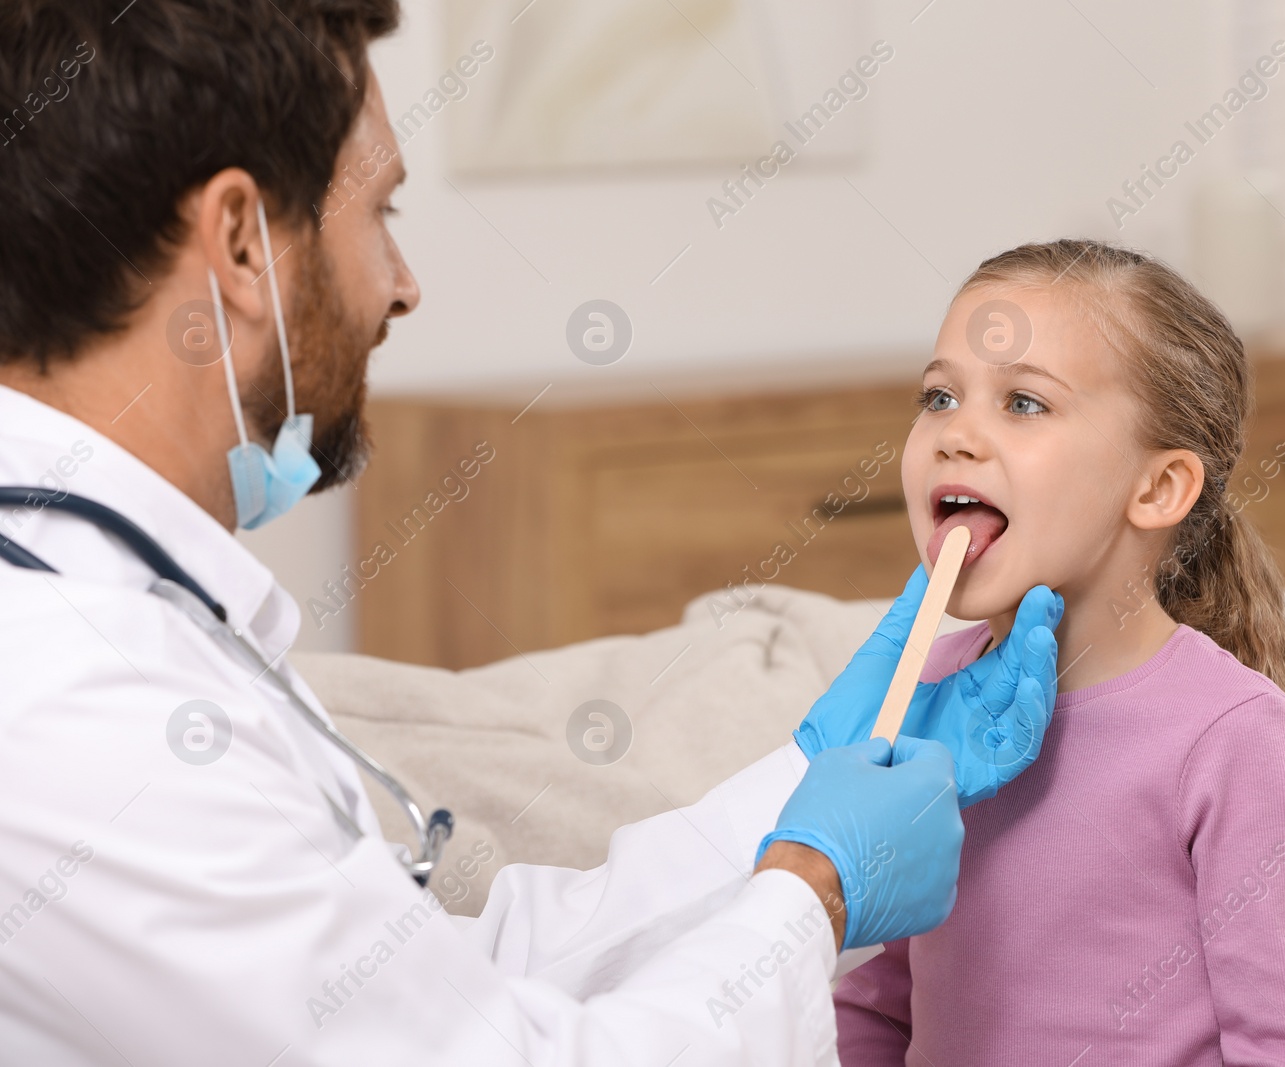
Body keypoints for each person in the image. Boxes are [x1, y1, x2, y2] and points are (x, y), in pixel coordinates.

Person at [0, 3, 1063, 1064]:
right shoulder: (79, 703)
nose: (401, 284)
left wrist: (799, 778)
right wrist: (816, 890)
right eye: (382, 213)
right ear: (239, 242)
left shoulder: (106, 617)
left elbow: (458, 982)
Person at [832, 240, 1285, 1065]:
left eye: (1023, 403)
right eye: (939, 395)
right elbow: (882, 1005)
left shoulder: (1238, 739)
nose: (955, 434)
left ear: (1158, 488)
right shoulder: (937, 698)